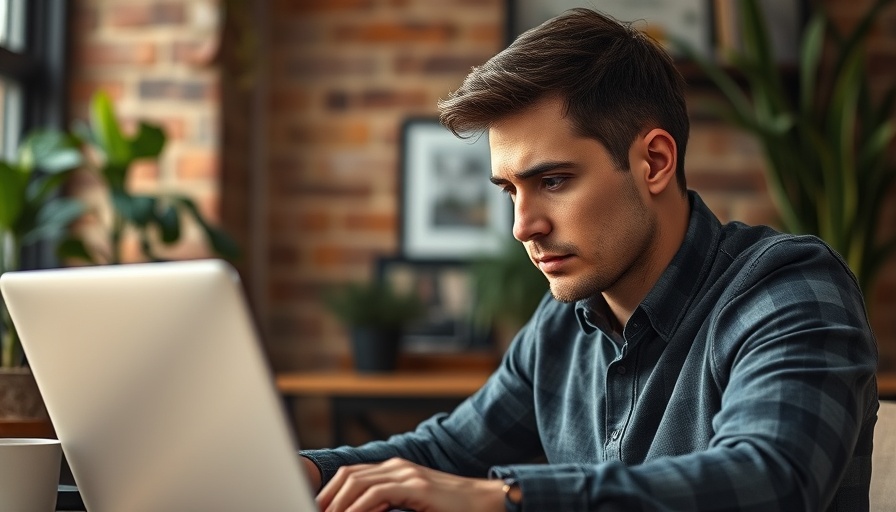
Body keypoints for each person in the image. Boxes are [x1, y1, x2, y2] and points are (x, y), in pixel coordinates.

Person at [300, 8, 880, 511]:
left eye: (552, 180)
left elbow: (771, 482)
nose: (522, 226)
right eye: (510, 190)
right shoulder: (561, 327)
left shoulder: (789, 288)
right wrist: (301, 472)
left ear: (654, 162)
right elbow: (444, 452)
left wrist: (505, 498)